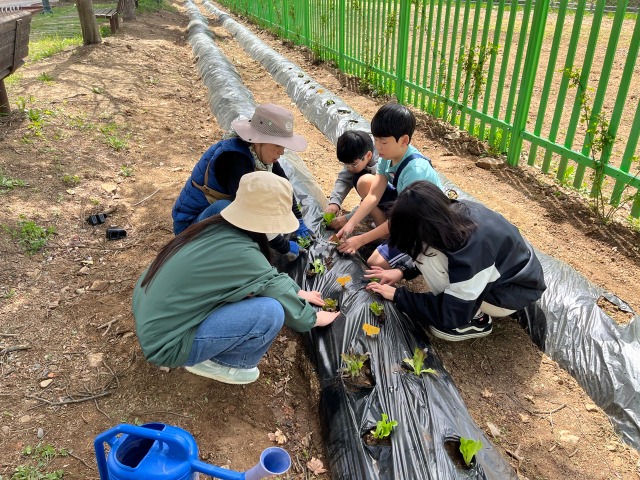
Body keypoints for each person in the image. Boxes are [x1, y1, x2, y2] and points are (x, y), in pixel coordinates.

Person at [133, 172, 341, 384]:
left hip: (151, 316)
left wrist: (299, 292)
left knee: (251, 295)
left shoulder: (217, 222)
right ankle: (222, 364)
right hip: (166, 344)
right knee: (270, 312)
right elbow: (271, 285)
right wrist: (314, 319)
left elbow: (267, 279)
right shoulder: (245, 255)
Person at [364, 181, 546, 341]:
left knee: (428, 256)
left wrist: (398, 296)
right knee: (426, 252)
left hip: (510, 293)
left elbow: (450, 310)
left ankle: (475, 319)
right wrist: (402, 271)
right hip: (513, 272)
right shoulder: (449, 217)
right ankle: (469, 305)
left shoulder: (473, 248)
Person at [172, 104, 314, 261]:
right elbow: (249, 211)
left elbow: (283, 185)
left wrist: (299, 222)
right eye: (277, 145)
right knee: (229, 211)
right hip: (190, 228)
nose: (281, 152)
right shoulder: (234, 160)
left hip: (211, 217)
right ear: (259, 141)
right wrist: (283, 246)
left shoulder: (261, 156)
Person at [336, 103, 442, 270]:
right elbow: (373, 195)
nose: (378, 146)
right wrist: (351, 224)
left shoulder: (415, 171)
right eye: (376, 139)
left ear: (404, 140)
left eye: (383, 141)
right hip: (405, 208)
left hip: (422, 223)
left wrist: (361, 239)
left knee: (375, 262)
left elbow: (402, 220)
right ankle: (386, 234)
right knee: (365, 182)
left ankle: (416, 255)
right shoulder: (388, 156)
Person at [325, 130, 398, 230]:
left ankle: (384, 229)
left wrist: (349, 219)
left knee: (364, 182)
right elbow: (344, 179)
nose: (349, 168)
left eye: (352, 164)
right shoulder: (358, 157)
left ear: (368, 156)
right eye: (345, 164)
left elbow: (371, 198)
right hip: (384, 196)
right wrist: (335, 202)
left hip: (398, 203)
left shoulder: (382, 162)